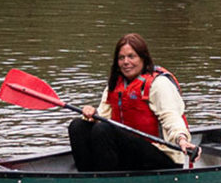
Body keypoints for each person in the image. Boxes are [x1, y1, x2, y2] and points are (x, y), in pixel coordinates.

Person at [68, 33, 197, 171]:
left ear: (143, 58)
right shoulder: (115, 85)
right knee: (78, 126)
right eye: (121, 58)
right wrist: (92, 114)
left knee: (103, 130)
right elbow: (103, 118)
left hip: (162, 157)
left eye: (131, 56)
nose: (126, 62)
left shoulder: (159, 84)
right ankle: (87, 179)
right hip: (130, 153)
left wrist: (182, 140)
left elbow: (172, 118)